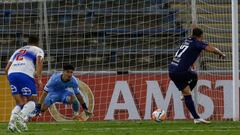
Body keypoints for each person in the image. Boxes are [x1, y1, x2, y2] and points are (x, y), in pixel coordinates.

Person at [168, 28, 225, 124]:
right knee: (194, 76)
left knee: (187, 93)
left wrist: (191, 63)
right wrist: (221, 53)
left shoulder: (187, 40)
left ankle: (196, 118)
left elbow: (186, 54)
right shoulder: (197, 43)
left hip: (172, 70)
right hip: (180, 71)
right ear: (201, 35)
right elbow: (210, 49)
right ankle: (195, 114)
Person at [5, 35, 44, 132]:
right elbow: (39, 62)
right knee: (33, 101)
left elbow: (6, 68)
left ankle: (11, 124)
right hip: (25, 74)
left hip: (11, 74)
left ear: (28, 42)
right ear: (37, 43)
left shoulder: (18, 51)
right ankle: (21, 117)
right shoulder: (38, 50)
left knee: (20, 102)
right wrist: (39, 79)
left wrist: (10, 79)